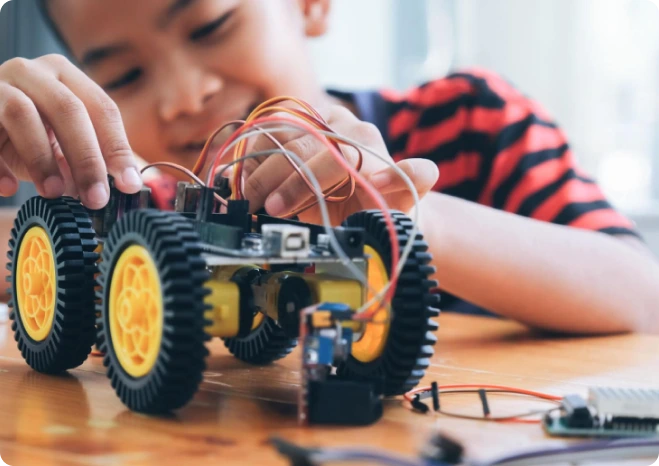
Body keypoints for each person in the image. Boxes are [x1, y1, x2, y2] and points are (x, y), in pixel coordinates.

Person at [0, 0, 657, 334]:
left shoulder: (473, 124)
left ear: (310, 4)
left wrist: (392, 214)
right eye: (124, 74)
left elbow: (641, 296)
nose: (182, 96)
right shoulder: (146, 212)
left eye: (211, 25)